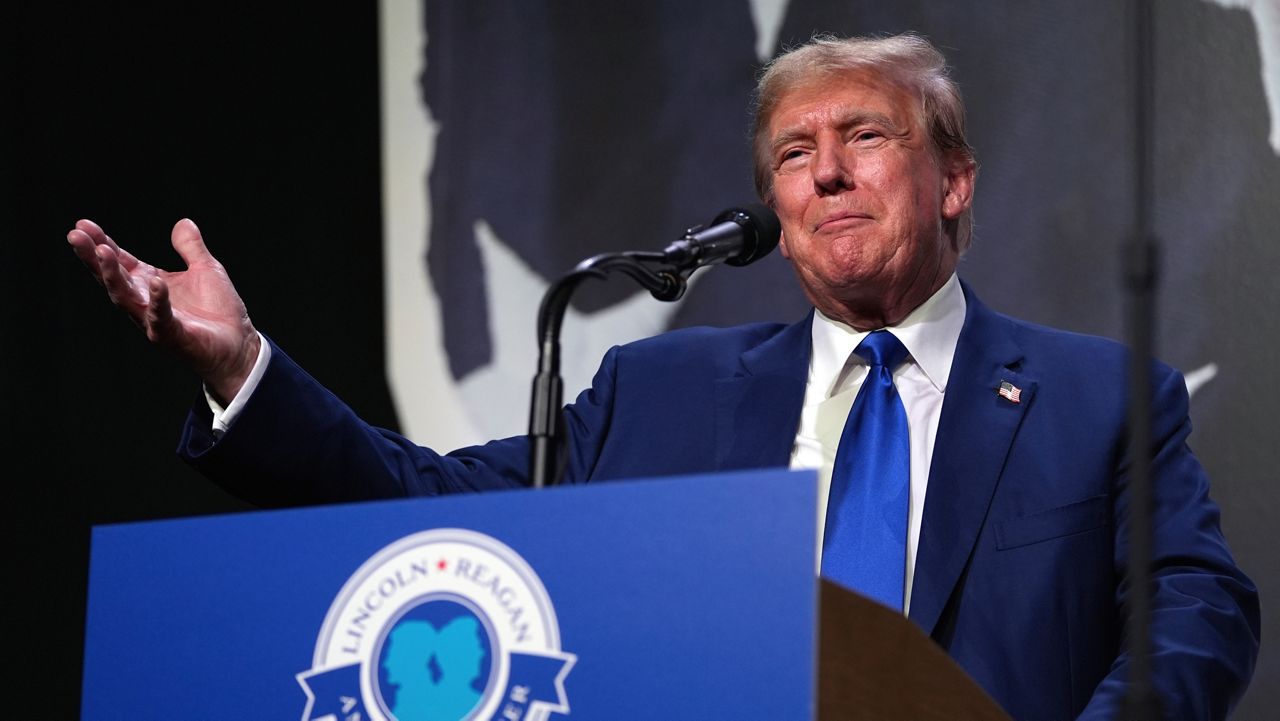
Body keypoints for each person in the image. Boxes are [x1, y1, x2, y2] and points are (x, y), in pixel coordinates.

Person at [67, 32, 1258, 720]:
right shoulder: (658, 395)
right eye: (794, 154)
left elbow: (1195, 611)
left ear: (953, 180)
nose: (826, 174)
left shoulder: (1095, 398)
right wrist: (244, 369)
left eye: (866, 137)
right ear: (774, 205)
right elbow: (428, 505)